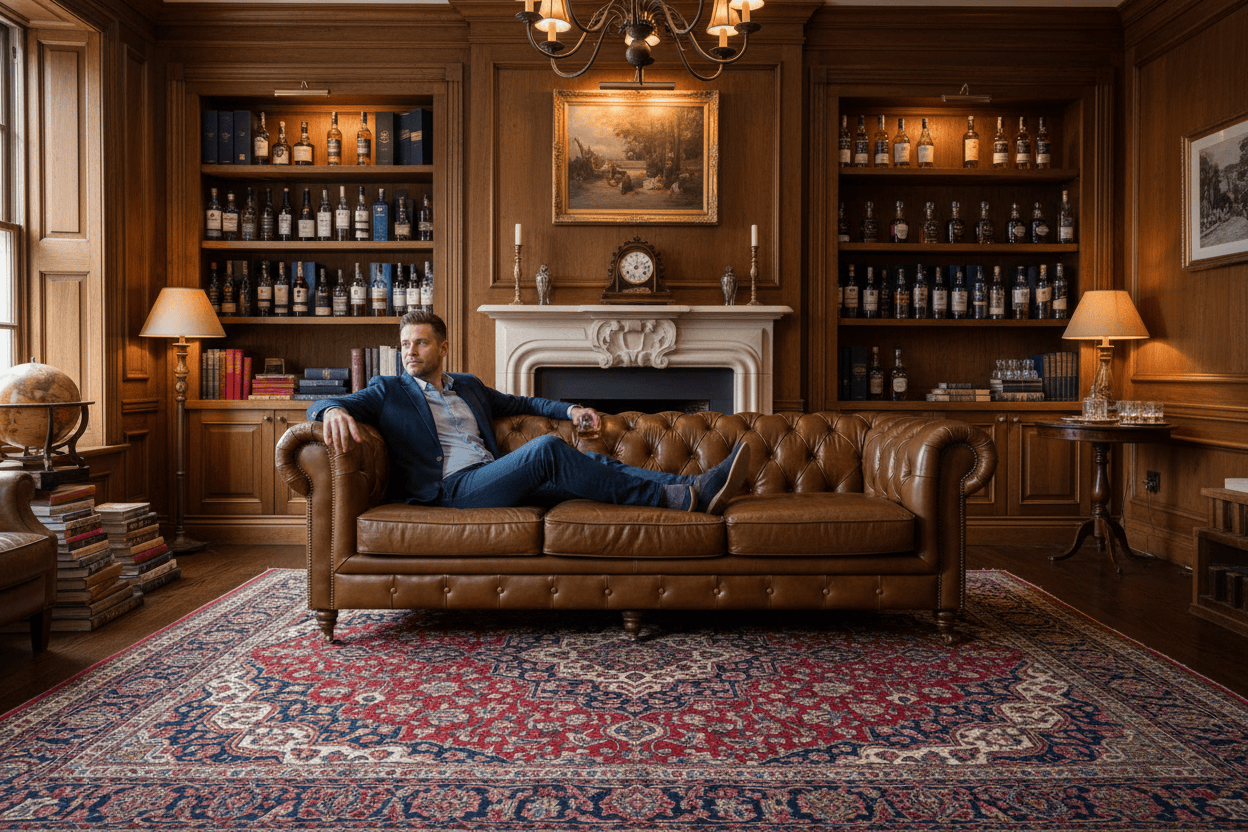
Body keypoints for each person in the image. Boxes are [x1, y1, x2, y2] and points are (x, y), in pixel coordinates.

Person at [309, 310, 751, 514]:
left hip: (492, 476)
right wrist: (330, 409)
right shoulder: (388, 389)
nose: (410, 351)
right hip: (452, 491)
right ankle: (673, 497)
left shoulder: (468, 386)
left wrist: (571, 407)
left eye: (420, 343)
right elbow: (327, 403)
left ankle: (694, 487)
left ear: (443, 348)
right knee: (546, 451)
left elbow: (524, 404)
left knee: (592, 463)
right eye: (405, 344)